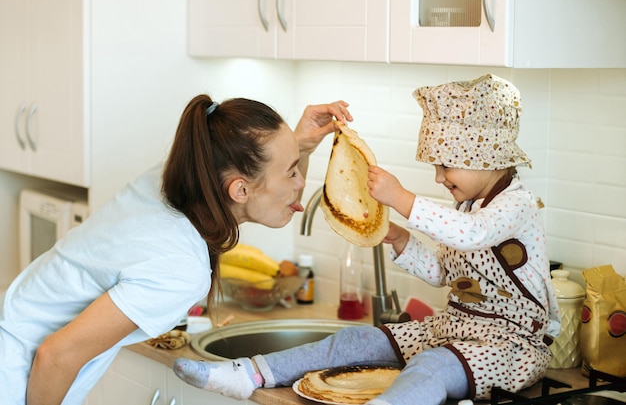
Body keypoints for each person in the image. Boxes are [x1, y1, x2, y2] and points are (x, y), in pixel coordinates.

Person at [172, 74, 561, 405]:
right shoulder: (465, 208)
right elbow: (445, 274)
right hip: (455, 329)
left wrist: (401, 198)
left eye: (445, 165)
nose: (439, 177)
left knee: (432, 367)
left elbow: (475, 235)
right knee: (356, 341)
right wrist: (398, 238)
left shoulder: (517, 206)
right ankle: (250, 374)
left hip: (508, 349)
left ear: (485, 158)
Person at [0, 94, 352, 405]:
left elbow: (269, 189)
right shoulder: (182, 268)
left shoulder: (182, 172)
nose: (301, 184)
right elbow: (55, 357)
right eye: (292, 172)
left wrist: (298, 148)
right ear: (239, 190)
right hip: (16, 379)